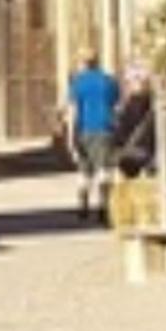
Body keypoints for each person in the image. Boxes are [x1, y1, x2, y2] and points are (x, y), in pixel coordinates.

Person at [65, 47, 121, 222]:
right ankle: (104, 207)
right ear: (98, 61)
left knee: (84, 169)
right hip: (105, 128)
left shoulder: (77, 83)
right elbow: (116, 105)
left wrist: (70, 136)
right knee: (104, 169)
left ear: (82, 62)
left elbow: (73, 111)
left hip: (84, 129)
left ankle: (83, 204)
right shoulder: (109, 81)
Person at [113, 66, 157, 180]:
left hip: (136, 157)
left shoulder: (128, 107)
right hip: (152, 156)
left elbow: (119, 136)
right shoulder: (155, 107)